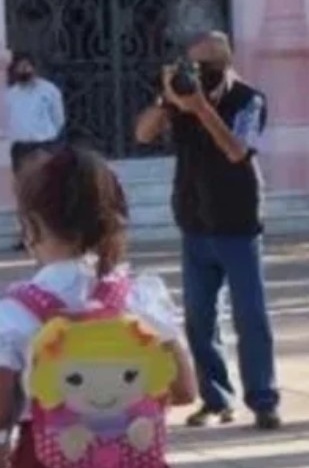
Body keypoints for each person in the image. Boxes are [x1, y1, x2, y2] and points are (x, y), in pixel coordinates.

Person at [0, 146, 196, 468]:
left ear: (31, 226)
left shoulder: (13, 315)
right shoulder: (140, 299)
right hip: (131, 457)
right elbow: (185, 391)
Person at [134, 31, 281, 430]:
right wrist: (168, 101)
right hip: (195, 220)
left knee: (250, 316)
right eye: (193, 65)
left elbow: (236, 150)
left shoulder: (249, 99)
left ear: (225, 63)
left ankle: (263, 400)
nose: (198, 72)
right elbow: (143, 134)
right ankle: (216, 399)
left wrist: (200, 108)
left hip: (238, 221)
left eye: (207, 65)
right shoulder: (180, 100)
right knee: (199, 319)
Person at [4, 52, 65, 174]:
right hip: (20, 147)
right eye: (20, 67)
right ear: (14, 70)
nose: (24, 70)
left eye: (27, 66)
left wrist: (48, 134)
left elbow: (58, 118)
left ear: (33, 68)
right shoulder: (9, 94)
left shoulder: (49, 90)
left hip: (45, 145)